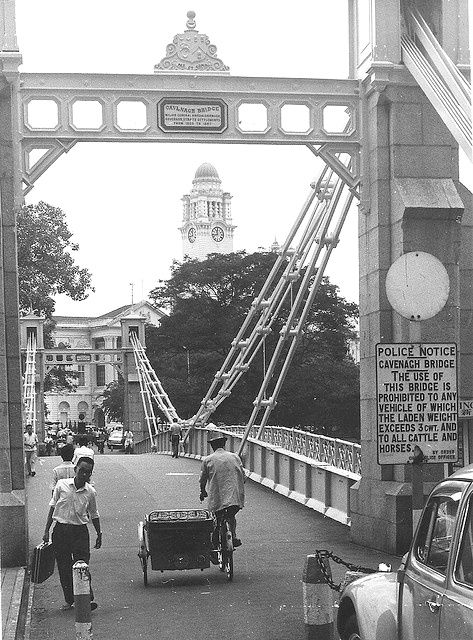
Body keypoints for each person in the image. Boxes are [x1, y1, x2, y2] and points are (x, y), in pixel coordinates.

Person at [43, 457, 102, 611]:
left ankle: (86, 599)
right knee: (64, 567)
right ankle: (70, 600)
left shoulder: (90, 492)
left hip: (80, 533)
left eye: (88, 472)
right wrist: (46, 531)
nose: (84, 474)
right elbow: (52, 507)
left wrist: (99, 533)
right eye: (82, 470)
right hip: (60, 531)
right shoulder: (62, 485)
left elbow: (94, 514)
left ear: (90, 474)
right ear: (76, 469)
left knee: (82, 565)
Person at [199, 431, 245, 553]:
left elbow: (203, 480)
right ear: (224, 445)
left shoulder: (208, 460)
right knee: (231, 516)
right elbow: (243, 476)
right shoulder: (235, 457)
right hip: (234, 497)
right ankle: (233, 536)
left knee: (216, 519)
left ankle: (214, 544)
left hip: (217, 497)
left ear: (212, 446)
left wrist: (202, 491)